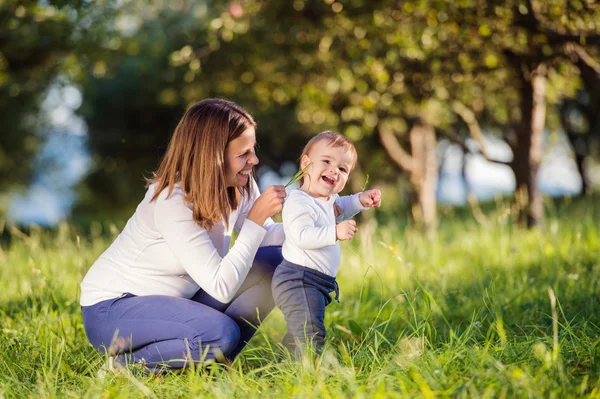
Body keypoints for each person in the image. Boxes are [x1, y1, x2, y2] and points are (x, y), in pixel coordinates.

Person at [80, 98, 287, 372]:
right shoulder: (172, 201)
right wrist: (254, 220)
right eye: (243, 154)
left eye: (253, 150)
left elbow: (269, 236)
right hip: (114, 309)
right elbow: (220, 285)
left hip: (179, 301)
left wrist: (323, 219)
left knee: (274, 260)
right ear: (211, 156)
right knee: (220, 333)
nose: (254, 160)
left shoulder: (238, 184)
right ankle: (123, 366)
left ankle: (213, 365)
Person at [271, 131, 381, 356]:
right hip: (298, 279)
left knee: (302, 330)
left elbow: (342, 205)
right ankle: (309, 373)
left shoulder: (325, 200)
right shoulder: (298, 201)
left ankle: (287, 366)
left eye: (342, 169)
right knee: (310, 332)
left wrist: (361, 199)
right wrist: (335, 232)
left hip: (314, 281)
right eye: (327, 161)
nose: (334, 170)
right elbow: (301, 235)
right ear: (306, 163)